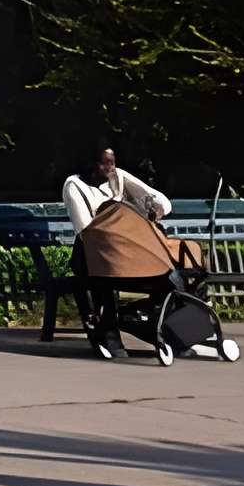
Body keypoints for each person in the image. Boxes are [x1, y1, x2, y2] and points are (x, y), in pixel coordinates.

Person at [62, 144, 176, 357]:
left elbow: (157, 199)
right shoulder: (74, 186)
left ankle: (161, 328)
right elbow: (86, 230)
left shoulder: (118, 177)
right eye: (104, 163)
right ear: (91, 164)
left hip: (124, 251)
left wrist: (155, 207)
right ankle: (109, 336)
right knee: (103, 279)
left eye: (112, 163)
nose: (110, 169)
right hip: (91, 251)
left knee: (167, 277)